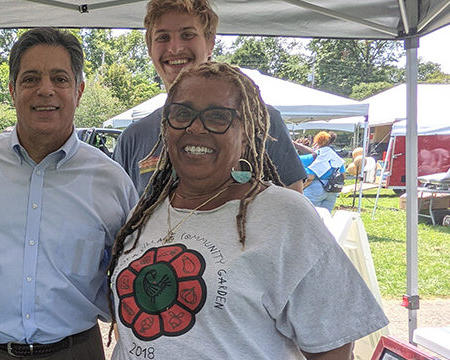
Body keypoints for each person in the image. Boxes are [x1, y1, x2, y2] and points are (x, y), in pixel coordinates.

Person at [109, 62, 387, 359]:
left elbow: (333, 347)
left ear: (246, 134)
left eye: (218, 116)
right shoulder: (146, 210)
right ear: (166, 128)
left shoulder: (284, 215)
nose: (195, 127)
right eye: (182, 114)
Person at [0, 28, 138, 359]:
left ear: (78, 91)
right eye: (30, 78)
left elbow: (131, 269)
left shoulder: (111, 180)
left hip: (76, 350)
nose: (45, 90)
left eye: (59, 79)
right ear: (12, 89)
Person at [113, 0, 307, 195]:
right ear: (150, 50)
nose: (174, 48)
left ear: (210, 43)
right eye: (163, 37)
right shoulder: (133, 138)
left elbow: (291, 207)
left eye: (187, 35)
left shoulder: (260, 121)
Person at [302, 131, 346, 212]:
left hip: (316, 188)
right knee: (326, 217)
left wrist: (302, 188)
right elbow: (343, 175)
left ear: (317, 142)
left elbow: (310, 177)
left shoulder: (315, 156)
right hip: (332, 190)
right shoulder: (335, 157)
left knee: (311, 216)